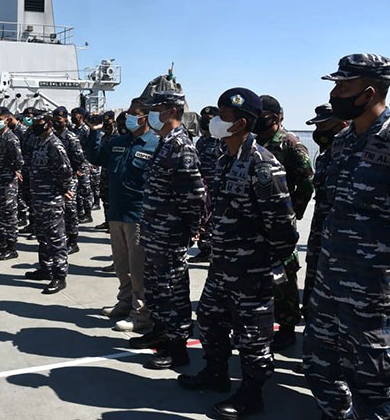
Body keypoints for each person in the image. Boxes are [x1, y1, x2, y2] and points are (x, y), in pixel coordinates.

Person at [303, 54, 390, 420]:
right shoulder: (344, 142)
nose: (335, 93)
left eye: (343, 86)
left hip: (374, 293)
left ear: (367, 93)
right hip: (330, 286)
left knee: (376, 390)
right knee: (322, 373)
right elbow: (328, 210)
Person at [178, 87, 298, 419]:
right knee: (210, 318)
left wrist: (264, 262)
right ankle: (215, 374)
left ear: (241, 123)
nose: (215, 121)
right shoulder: (223, 157)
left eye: (223, 117)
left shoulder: (263, 165)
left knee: (252, 337)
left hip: (251, 268)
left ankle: (251, 394)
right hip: (222, 264)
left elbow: (284, 228)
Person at [130, 91, 205, 368]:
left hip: (170, 232)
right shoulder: (165, 142)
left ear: (171, 110)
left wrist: (192, 228)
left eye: (156, 108)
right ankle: (161, 334)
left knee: (172, 288)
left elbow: (194, 195)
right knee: (157, 287)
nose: (151, 113)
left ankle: (178, 348)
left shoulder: (181, 145)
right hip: (154, 229)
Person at [85, 99, 160, 334]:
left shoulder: (155, 145)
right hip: (117, 213)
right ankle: (125, 303)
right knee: (121, 264)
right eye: (128, 114)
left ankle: (141, 315)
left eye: (134, 114)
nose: (129, 118)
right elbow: (96, 158)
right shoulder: (119, 142)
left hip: (138, 214)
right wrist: (95, 132)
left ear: (146, 117)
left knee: (138, 269)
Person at [253, 95, 315, 351]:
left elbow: (307, 181)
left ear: (277, 117)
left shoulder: (290, 144)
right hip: (257, 220)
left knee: (284, 277)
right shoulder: (255, 142)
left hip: (280, 222)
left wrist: (294, 212)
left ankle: (287, 328)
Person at [302, 104, 347, 317]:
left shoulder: (353, 156)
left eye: (325, 125)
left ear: (343, 124)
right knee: (314, 270)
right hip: (320, 227)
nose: (320, 131)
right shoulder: (324, 156)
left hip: (342, 237)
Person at [24, 111, 74, 294]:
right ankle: (45, 269)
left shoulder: (55, 145)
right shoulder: (39, 142)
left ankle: (59, 276)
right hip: (38, 197)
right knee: (42, 236)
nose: (35, 126)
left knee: (56, 238)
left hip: (51, 199)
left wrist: (64, 190)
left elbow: (66, 171)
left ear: (48, 124)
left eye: (39, 123)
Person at [0, 107, 24, 260]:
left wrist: (12, 171)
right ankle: (1, 243)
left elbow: (19, 161)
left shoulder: (11, 138)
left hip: (7, 182)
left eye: (0, 120)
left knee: (9, 214)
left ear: (7, 120)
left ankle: (11, 247)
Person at [189, 105, 223, 264]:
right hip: (203, 186)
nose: (204, 122)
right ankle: (205, 248)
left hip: (217, 186)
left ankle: (211, 249)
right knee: (203, 217)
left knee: (213, 219)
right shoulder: (202, 141)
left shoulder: (221, 141)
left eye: (208, 120)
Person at [53, 106, 84, 254]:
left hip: (69, 178)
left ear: (65, 120)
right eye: (54, 119)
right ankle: (61, 238)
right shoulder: (51, 136)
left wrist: (76, 171)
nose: (56, 122)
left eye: (59, 119)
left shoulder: (71, 137)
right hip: (55, 179)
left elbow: (79, 157)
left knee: (70, 209)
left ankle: (73, 241)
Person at [70, 107, 95, 223]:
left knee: (85, 189)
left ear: (81, 116)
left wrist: (87, 163)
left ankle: (88, 213)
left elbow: (89, 147)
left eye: (75, 115)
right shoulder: (74, 129)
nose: (72, 117)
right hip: (75, 163)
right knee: (78, 189)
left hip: (84, 162)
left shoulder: (86, 129)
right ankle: (80, 212)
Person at [95, 110, 118, 232]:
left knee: (113, 198)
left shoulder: (118, 136)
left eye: (108, 121)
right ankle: (107, 221)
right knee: (104, 197)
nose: (106, 124)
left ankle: (112, 223)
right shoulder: (104, 137)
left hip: (114, 172)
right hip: (104, 171)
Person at [19, 107, 39, 237]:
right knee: (28, 199)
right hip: (26, 171)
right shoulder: (27, 132)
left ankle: (37, 228)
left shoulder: (38, 134)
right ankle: (31, 225)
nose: (27, 119)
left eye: (30, 116)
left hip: (35, 172)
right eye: (26, 116)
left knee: (34, 201)